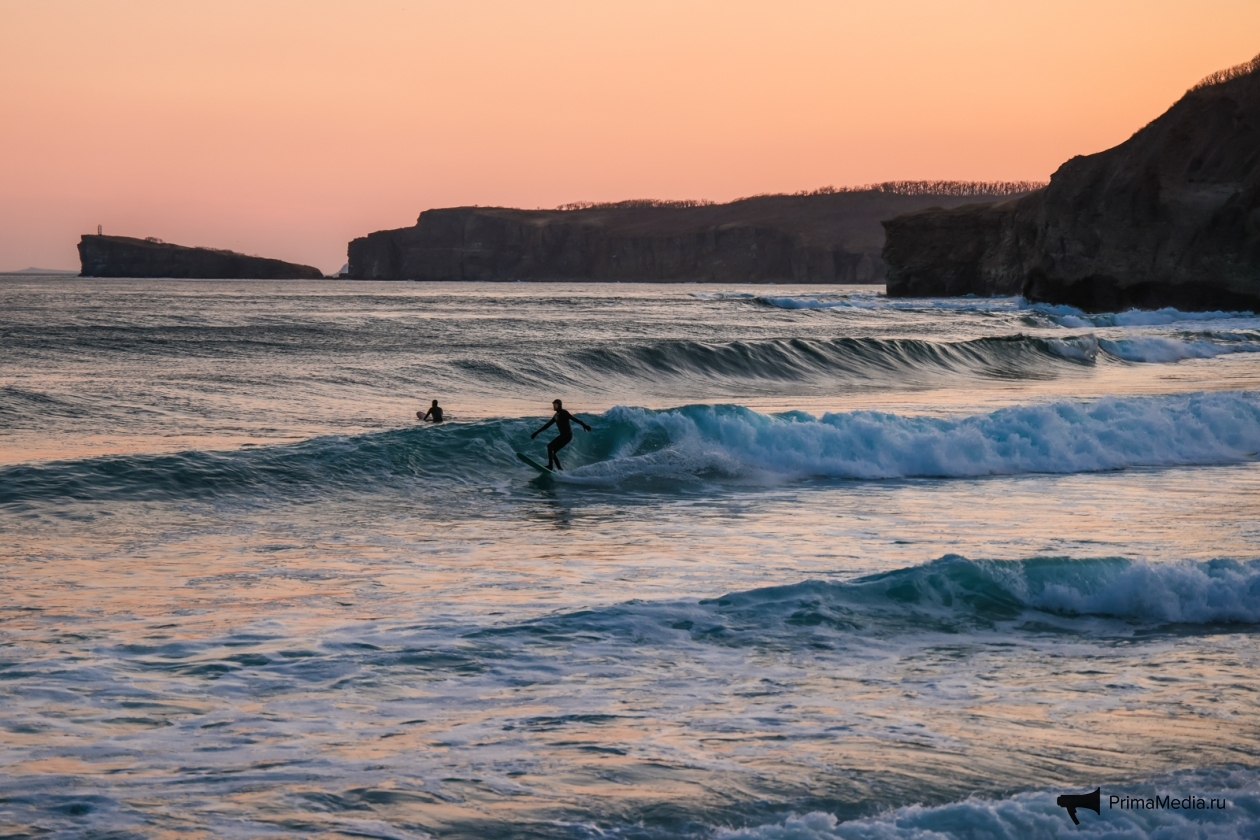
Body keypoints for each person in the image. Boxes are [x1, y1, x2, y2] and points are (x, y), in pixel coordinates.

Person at [531, 398, 591, 471]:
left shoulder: (564, 413)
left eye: (555, 405)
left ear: (559, 405)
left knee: (550, 446)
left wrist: (584, 425)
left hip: (567, 435)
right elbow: (547, 425)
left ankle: (550, 466)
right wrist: (537, 432)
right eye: (553, 405)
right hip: (563, 435)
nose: (553, 406)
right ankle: (560, 469)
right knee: (553, 451)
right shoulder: (556, 415)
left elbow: (574, 419)